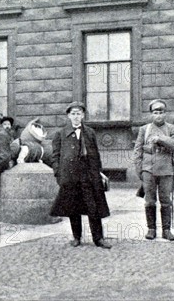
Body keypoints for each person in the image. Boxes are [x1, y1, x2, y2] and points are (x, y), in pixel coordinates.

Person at [50, 102, 111, 249]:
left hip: (88, 176)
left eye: (79, 113)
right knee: (73, 208)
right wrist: (59, 174)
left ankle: (99, 239)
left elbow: (95, 154)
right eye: (73, 114)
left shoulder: (90, 132)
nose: (76, 116)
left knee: (93, 208)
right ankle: (76, 237)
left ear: (83, 115)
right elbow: (55, 157)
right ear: (69, 116)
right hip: (70, 177)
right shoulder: (61, 134)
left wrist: (99, 172)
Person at [134, 99, 174, 241]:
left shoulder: (171, 129)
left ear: (165, 113)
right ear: (151, 114)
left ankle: (166, 231)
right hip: (148, 170)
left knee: (166, 201)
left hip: (166, 171)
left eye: (161, 112)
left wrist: (160, 139)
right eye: (155, 112)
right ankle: (151, 229)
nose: (158, 115)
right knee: (149, 201)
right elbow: (137, 151)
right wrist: (140, 171)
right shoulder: (144, 129)